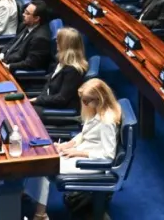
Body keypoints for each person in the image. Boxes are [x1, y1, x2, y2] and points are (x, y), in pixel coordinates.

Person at [25, 79, 122, 220]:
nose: (84, 104)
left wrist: (78, 152)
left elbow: (108, 155)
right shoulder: (96, 110)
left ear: (99, 99)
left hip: (92, 163)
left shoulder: (107, 121)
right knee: (42, 154)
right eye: (83, 100)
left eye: (87, 101)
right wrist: (68, 144)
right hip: (81, 153)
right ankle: (29, 193)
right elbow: (85, 133)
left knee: (45, 165)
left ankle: (41, 215)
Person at [29, 27, 89, 117]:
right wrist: (40, 98)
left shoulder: (73, 71)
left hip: (61, 110)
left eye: (58, 40)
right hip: (49, 101)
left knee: (25, 113)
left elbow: (62, 99)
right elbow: (49, 84)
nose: (56, 42)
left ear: (65, 44)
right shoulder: (61, 61)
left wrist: (38, 100)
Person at [0, 1, 52, 71]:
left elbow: (30, 63)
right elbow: (13, 41)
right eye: (24, 11)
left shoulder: (40, 38)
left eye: (27, 13)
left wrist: (9, 66)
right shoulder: (26, 24)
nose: (23, 14)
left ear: (36, 18)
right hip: (6, 59)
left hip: (14, 69)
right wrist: (2, 53)